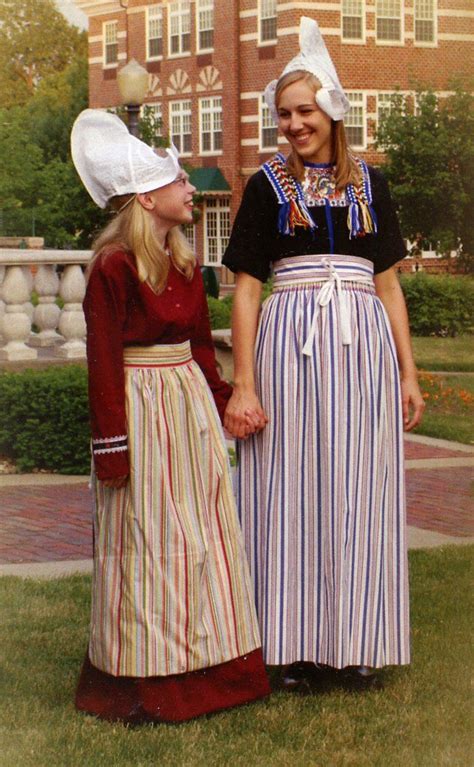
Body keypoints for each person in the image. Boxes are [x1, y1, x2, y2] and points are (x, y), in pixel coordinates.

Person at [222, 17, 425, 689]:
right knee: (290, 486)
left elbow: (390, 284)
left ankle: (358, 640)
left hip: (361, 344)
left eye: (304, 110)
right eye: (284, 114)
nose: (293, 124)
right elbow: (246, 291)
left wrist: (408, 372)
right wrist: (245, 383)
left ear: (332, 110)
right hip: (291, 346)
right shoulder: (264, 187)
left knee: (361, 486)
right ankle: (294, 644)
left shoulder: (373, 185)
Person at [70, 109, 269, 723]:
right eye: (180, 183)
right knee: (148, 537)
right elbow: (103, 363)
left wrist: (222, 401)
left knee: (202, 533)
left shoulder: (185, 264)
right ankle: (146, 672)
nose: (190, 191)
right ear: (148, 196)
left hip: (184, 407)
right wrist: (113, 448)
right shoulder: (113, 267)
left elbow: (203, 349)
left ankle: (212, 664)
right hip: (141, 405)